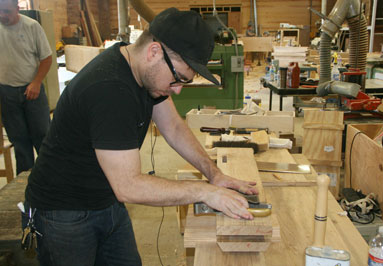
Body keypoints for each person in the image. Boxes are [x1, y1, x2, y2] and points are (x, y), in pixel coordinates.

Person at [23, 7, 258, 266]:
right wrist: (204, 192)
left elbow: (174, 128)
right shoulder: (109, 90)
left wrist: (214, 175)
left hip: (106, 200)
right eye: (178, 78)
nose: (178, 91)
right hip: (64, 213)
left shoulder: (141, 70)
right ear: (154, 52)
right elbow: (128, 186)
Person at [0, 0, 51, 175]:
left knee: (43, 138)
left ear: (17, 9)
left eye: (6, 11)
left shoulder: (31, 27)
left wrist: (36, 82)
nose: (2, 16)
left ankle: (49, 177)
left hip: (32, 91)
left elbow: (46, 58)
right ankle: (24, 182)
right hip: (6, 93)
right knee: (19, 141)